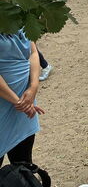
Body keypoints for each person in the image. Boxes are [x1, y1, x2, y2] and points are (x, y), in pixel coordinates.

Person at [0, 30, 45, 167]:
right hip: (15, 106)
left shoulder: (20, 14)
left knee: (23, 165)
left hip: (24, 108)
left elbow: (33, 52)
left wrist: (33, 88)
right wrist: (19, 102)